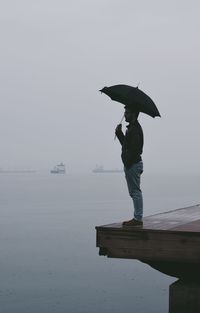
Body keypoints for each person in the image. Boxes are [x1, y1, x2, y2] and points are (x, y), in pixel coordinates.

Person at [115, 105, 144, 226]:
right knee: (134, 192)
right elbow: (126, 146)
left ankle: (137, 219)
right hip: (131, 164)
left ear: (133, 114)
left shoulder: (135, 130)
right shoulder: (131, 128)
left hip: (133, 164)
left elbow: (135, 150)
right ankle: (137, 218)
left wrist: (127, 162)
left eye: (127, 112)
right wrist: (120, 133)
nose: (125, 114)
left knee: (135, 192)